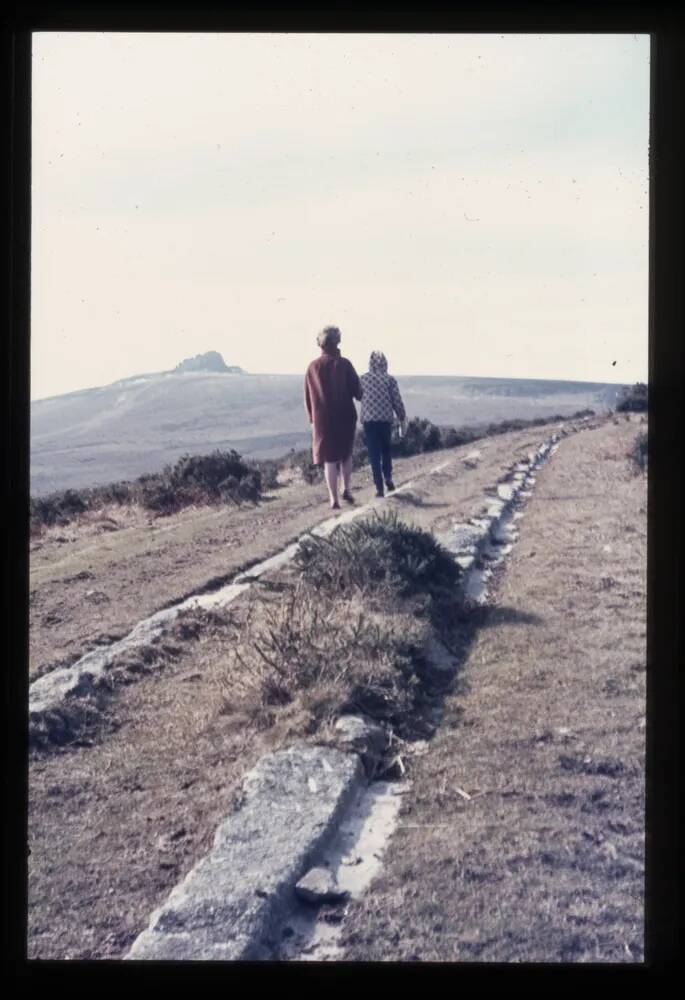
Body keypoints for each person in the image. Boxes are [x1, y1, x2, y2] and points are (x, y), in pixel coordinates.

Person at [304, 326, 363, 509]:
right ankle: (346, 488)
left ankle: (333, 499)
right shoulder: (344, 364)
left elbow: (308, 396)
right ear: (337, 341)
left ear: (320, 343)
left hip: (322, 419)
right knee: (346, 455)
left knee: (329, 459)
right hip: (345, 415)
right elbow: (358, 392)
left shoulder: (312, 367)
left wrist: (312, 418)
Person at [360, 350, 407, 497]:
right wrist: (402, 416)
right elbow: (396, 400)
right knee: (386, 450)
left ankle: (379, 487)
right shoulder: (390, 380)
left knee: (373, 454)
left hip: (369, 421)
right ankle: (388, 477)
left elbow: (358, 395)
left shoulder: (363, 379)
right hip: (386, 420)